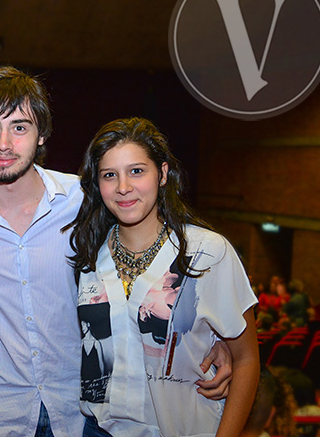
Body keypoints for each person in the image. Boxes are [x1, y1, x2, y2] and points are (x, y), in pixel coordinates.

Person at [0, 67, 233, 436]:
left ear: (42, 134)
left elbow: (167, 240)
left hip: (78, 411)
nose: (3, 143)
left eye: (19, 127)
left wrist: (218, 337)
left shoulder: (83, 200)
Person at [68, 117, 259, 436]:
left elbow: (247, 360)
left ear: (163, 174)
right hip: (99, 429)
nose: (123, 187)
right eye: (109, 175)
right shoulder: (90, 254)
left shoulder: (206, 252)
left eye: (137, 171)